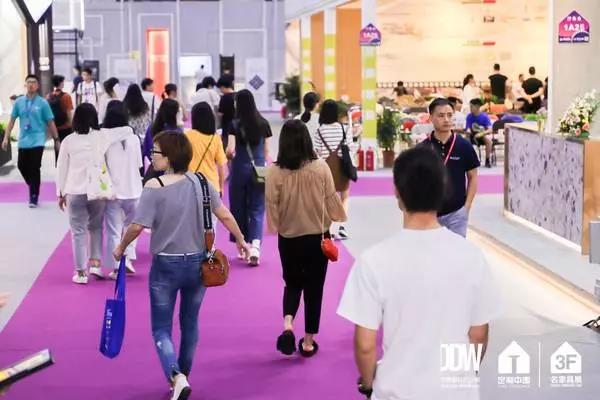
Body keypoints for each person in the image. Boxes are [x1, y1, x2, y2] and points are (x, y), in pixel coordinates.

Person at [337, 146, 502, 400]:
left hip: (397, 391)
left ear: (397, 191)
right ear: (443, 189)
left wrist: (369, 383)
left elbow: (365, 345)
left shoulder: (374, 261)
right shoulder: (472, 257)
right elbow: (479, 333)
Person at [112, 133, 250, 400]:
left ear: (170, 157)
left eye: (156, 152)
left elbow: (137, 226)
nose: (152, 157)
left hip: (165, 265)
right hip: (199, 263)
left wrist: (120, 248)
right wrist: (241, 239)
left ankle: (176, 377)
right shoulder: (202, 182)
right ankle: (183, 374)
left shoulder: (154, 186)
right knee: (190, 323)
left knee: (161, 328)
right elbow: (223, 214)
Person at [266, 119, 346, 357]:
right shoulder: (320, 167)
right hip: (317, 237)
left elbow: (271, 204)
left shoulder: (274, 171)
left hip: (288, 237)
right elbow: (331, 198)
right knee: (314, 288)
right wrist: (338, 216)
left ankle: (288, 323)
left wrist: (276, 226)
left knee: (292, 283)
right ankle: (309, 341)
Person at [56, 104, 133, 284]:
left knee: (78, 231)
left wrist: (60, 193)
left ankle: (81, 273)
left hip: (75, 191)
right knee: (96, 227)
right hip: (97, 191)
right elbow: (128, 130)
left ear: (75, 119)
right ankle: (96, 264)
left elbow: (61, 168)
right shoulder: (102, 136)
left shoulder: (68, 141)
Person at [418, 98, 479, 237]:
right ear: (431, 118)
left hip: (456, 214)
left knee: (456, 250)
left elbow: (473, 177)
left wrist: (466, 207)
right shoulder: (422, 149)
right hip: (429, 215)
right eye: (441, 115)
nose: (446, 119)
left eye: (450, 115)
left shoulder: (464, 146)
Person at [226, 89, 272, 266]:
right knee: (258, 207)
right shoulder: (264, 123)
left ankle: (242, 244)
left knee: (238, 208)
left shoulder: (234, 125)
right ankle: (255, 247)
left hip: (239, 169)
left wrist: (229, 156)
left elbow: (230, 150)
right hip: (259, 169)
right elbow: (266, 151)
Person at [2, 74, 59, 208]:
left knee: (34, 167)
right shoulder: (19, 102)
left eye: (34, 82)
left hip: (38, 139)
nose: (31, 84)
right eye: (29, 82)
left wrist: (56, 139)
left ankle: (34, 196)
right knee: (22, 165)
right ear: (25, 85)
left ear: (37, 86)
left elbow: (50, 122)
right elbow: (11, 121)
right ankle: (33, 184)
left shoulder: (43, 103)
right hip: (23, 140)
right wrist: (6, 137)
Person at [101, 100, 142, 279]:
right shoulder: (133, 138)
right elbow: (139, 164)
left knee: (114, 230)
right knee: (133, 226)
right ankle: (129, 257)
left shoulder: (103, 138)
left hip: (112, 191)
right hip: (134, 189)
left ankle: (118, 265)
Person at [313, 99, 351, 240]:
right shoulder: (344, 128)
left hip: (324, 168)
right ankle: (341, 227)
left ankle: (327, 228)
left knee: (326, 198)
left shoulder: (319, 131)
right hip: (342, 167)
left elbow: (316, 152)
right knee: (344, 196)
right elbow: (349, 148)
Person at [186, 102, 227, 195]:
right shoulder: (215, 138)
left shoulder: (187, 136)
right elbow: (221, 166)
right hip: (212, 185)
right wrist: (221, 187)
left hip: (192, 184)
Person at [143, 99, 182, 183]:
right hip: (172, 176)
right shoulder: (177, 133)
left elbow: (146, 151)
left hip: (154, 173)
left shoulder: (152, 129)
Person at [48, 74, 74, 161]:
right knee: (67, 150)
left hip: (54, 128)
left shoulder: (49, 96)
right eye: (63, 82)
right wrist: (71, 124)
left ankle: (58, 165)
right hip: (66, 127)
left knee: (57, 148)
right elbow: (68, 112)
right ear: (61, 83)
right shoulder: (66, 96)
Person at [466, 98, 493, 168]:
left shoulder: (484, 116)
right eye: (470, 106)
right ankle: (468, 160)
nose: (470, 108)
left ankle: (487, 160)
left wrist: (481, 134)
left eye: (471, 106)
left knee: (489, 141)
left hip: (481, 135)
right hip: (471, 135)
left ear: (477, 106)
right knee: (465, 140)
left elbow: (490, 130)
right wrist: (468, 132)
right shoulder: (469, 116)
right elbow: (468, 128)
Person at [217, 78, 236, 147]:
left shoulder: (224, 98)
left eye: (220, 88)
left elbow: (220, 113)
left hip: (227, 125)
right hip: (238, 125)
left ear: (223, 87)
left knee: (226, 144)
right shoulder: (238, 95)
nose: (220, 90)